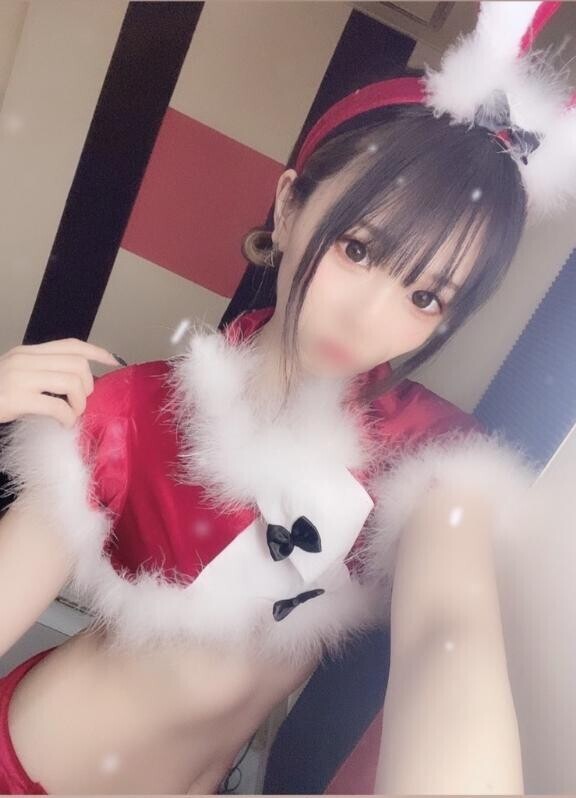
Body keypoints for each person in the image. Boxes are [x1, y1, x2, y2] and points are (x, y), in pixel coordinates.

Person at [0, 1, 573, 793]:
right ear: (290, 204)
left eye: (426, 296)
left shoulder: (427, 460)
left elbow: (450, 636)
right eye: (358, 248)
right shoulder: (133, 412)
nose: (368, 318)